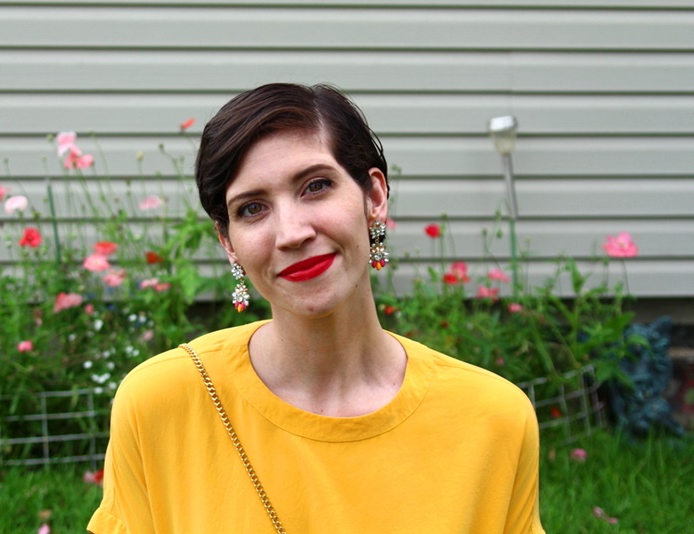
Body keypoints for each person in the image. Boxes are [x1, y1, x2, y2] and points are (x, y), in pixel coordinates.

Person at [88, 83, 545, 533]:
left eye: (316, 186)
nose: (291, 233)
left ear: (374, 197)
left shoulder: (495, 420)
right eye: (252, 209)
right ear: (228, 242)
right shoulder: (159, 404)